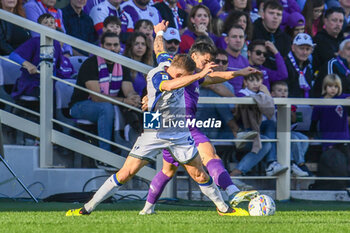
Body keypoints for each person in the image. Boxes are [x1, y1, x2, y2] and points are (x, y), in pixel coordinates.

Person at [65, 41, 250, 217]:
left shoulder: (170, 62)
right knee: (126, 173)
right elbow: (168, 86)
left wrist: (159, 33)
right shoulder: (158, 75)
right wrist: (198, 75)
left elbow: (160, 49)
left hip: (179, 130)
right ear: (179, 75)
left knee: (199, 174)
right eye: (186, 78)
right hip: (155, 129)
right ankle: (86, 209)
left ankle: (224, 209)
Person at [138, 21, 260, 215]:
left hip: (174, 130)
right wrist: (159, 32)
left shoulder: (197, 75)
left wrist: (238, 73)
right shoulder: (178, 69)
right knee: (210, 155)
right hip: (182, 127)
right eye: (206, 60)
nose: (208, 65)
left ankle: (147, 209)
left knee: (167, 171)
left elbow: (214, 77)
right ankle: (232, 192)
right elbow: (160, 58)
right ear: (194, 56)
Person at [68, 32, 140, 152]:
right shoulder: (90, 64)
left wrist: (133, 98)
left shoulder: (122, 64)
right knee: (106, 108)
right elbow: (96, 97)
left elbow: (128, 90)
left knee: (142, 105)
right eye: (108, 45)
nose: (112, 48)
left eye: (115, 45)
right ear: (101, 46)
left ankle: (142, 152)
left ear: (119, 46)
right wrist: (123, 101)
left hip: (109, 104)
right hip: (80, 106)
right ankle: (105, 154)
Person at [230, 72, 288, 177]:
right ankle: (269, 164)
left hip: (260, 128)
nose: (255, 84)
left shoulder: (262, 94)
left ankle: (272, 163)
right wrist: (264, 98)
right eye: (251, 81)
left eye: (258, 80)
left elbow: (271, 113)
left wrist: (267, 95)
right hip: (245, 130)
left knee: (270, 124)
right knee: (265, 142)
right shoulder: (241, 93)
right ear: (245, 82)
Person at [9, 13, 63, 102]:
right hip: (31, 83)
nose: (49, 24)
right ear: (39, 27)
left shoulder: (56, 44)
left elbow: (56, 67)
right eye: (45, 22)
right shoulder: (34, 42)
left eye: (52, 22)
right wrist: (28, 64)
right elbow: (13, 55)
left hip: (49, 83)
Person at [270, 81, 311, 176]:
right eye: (280, 90)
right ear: (272, 93)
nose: (283, 93)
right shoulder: (271, 104)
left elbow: (297, 120)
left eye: (285, 91)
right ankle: (300, 164)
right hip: (276, 132)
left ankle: (296, 163)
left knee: (304, 139)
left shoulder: (291, 105)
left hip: (289, 130)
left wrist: (293, 114)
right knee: (294, 139)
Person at [311, 74, 350, 151]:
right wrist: (311, 135)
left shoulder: (343, 98)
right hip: (328, 138)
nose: (333, 89)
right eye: (330, 86)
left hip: (344, 137)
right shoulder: (319, 103)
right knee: (330, 161)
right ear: (325, 87)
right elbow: (314, 122)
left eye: (336, 86)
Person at [252, 0, 292, 70]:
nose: (275, 17)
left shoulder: (286, 39)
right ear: (263, 15)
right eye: (271, 13)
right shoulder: (252, 32)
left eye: (278, 14)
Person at [312, 7, 344, 73]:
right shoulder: (319, 39)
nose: (338, 24)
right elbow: (330, 58)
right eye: (334, 20)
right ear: (325, 21)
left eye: (341, 21)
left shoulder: (344, 40)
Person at [285, 33, 314, 98]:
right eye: (301, 48)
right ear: (293, 47)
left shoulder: (308, 67)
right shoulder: (285, 64)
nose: (305, 52)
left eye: (307, 49)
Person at [225, 24, 250, 94]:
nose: (238, 40)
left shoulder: (245, 62)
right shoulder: (219, 59)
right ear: (227, 40)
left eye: (241, 37)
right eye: (234, 37)